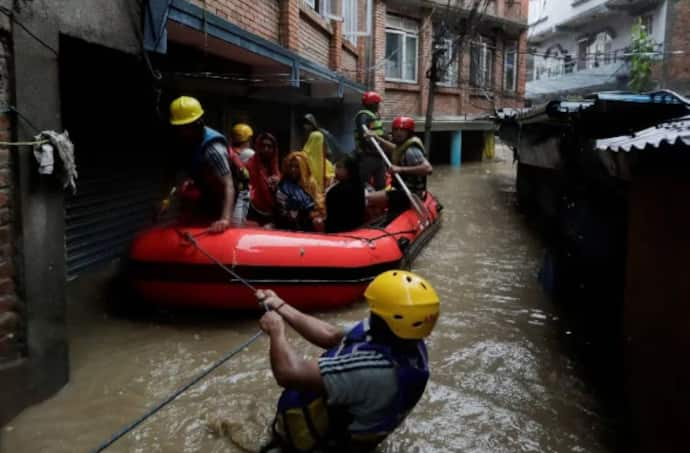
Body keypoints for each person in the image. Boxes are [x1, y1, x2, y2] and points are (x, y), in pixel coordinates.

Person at [257, 270, 440, 452]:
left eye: (374, 311)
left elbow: (288, 373)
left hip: (330, 441)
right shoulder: (405, 339)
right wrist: (280, 305)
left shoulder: (373, 370)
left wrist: (276, 331)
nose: (370, 314)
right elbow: (331, 336)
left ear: (385, 321)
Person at [169, 96, 238, 233]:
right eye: (180, 127)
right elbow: (174, 174)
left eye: (186, 127)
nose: (182, 132)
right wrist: (166, 199)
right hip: (210, 189)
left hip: (234, 189)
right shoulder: (185, 143)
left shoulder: (213, 150)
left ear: (198, 123)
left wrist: (225, 219)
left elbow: (228, 184)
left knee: (231, 229)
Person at [367, 116, 432, 214]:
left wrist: (400, 169)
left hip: (410, 193)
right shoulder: (402, 146)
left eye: (402, 130)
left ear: (409, 133)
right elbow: (395, 149)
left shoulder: (412, 151)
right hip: (401, 189)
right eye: (396, 129)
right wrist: (377, 138)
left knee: (368, 197)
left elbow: (428, 169)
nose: (398, 132)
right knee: (372, 197)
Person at [275, 152, 326, 232]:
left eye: (297, 167)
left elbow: (318, 204)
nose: (293, 169)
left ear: (303, 168)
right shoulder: (284, 185)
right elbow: (281, 209)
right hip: (289, 224)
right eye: (291, 166)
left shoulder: (311, 184)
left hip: (309, 222)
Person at [354, 91, 386, 190]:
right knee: (364, 182)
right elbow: (363, 134)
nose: (378, 106)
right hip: (368, 155)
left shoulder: (373, 115)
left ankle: (379, 199)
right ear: (372, 104)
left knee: (380, 183)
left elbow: (378, 132)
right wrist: (368, 149)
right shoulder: (363, 115)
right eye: (377, 103)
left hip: (378, 154)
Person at [247, 132, 281, 225]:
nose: (266, 149)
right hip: (252, 212)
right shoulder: (250, 165)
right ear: (258, 147)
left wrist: (278, 183)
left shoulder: (275, 167)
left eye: (269, 146)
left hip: (272, 213)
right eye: (263, 146)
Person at [325, 155, 365, 233]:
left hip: (339, 231)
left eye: (339, 167)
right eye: (336, 167)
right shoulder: (358, 185)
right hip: (356, 229)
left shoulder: (338, 191)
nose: (336, 170)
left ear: (349, 169)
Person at [228, 123, 253, 225]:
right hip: (242, 193)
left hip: (232, 192)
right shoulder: (249, 153)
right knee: (238, 223)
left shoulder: (229, 151)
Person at [302, 114, 332, 194]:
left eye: (307, 123)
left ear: (312, 124)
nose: (305, 126)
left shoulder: (316, 135)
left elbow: (306, 151)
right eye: (304, 124)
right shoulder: (311, 135)